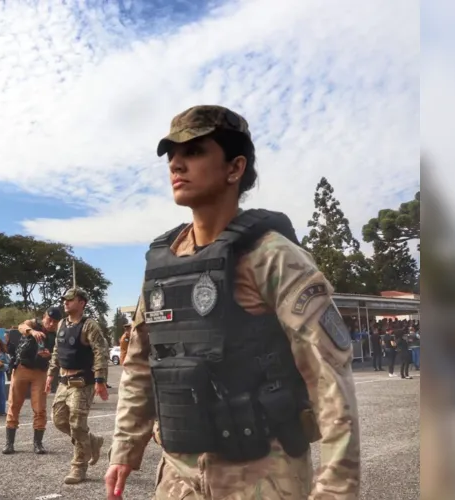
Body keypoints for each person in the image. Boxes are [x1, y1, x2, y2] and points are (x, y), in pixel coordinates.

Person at [104, 105, 360, 499]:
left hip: (261, 474)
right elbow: (141, 362)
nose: (176, 163)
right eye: (172, 154)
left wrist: (337, 489)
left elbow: (329, 378)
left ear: (234, 168)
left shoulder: (273, 257)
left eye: (194, 152)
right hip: (179, 474)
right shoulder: (164, 263)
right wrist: (125, 447)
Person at [45, 287, 109, 485]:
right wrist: (50, 374)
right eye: (65, 299)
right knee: (58, 419)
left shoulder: (89, 326)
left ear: (82, 303)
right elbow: (57, 350)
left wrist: (100, 380)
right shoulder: (62, 324)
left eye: (70, 300)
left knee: (77, 423)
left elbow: (101, 351)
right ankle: (92, 441)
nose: (65, 303)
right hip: (64, 381)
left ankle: (79, 467)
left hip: (83, 382)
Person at [4, 306, 63, 455]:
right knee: (14, 405)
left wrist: (48, 355)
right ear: (44, 317)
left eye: (55, 322)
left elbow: (59, 354)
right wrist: (33, 331)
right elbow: (21, 326)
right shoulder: (34, 324)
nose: (51, 324)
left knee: (40, 408)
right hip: (22, 368)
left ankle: (38, 443)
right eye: (49, 320)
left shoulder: (57, 335)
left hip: (40, 371)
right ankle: (9, 443)